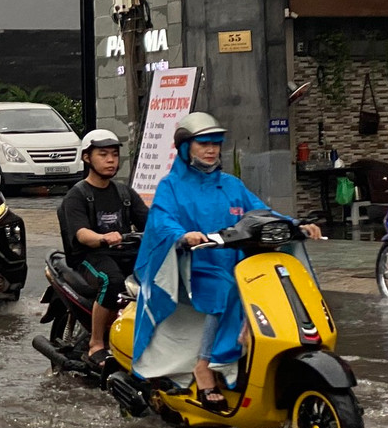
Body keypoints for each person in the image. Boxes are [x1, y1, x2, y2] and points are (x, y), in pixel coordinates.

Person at [133, 112, 322, 412]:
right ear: (185, 148)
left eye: (216, 144)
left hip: (235, 263)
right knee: (227, 289)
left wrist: (296, 225)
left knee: (271, 287)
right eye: (203, 144)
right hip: (195, 267)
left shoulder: (232, 185)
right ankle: (204, 365)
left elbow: (262, 213)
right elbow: (161, 220)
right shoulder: (171, 186)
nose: (211, 150)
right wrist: (183, 236)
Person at [58, 129, 149, 369]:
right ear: (87, 158)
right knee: (113, 281)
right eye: (103, 154)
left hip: (125, 252)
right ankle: (96, 344)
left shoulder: (124, 192)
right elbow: (81, 234)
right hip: (90, 256)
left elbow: (151, 223)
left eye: (114, 155)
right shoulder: (77, 195)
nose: (111, 160)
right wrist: (102, 237)